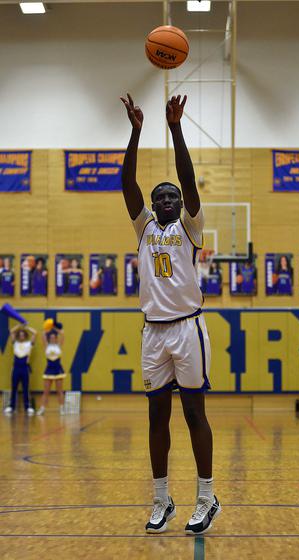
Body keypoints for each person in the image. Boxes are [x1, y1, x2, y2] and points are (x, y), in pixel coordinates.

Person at [120, 93, 221, 535]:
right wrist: (136, 132)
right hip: (152, 333)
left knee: (194, 413)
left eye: (170, 196)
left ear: (180, 204)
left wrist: (176, 128)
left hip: (187, 330)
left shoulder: (189, 228)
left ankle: (206, 496)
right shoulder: (143, 229)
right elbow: (128, 186)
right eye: (158, 196)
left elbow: (189, 180)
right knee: (156, 417)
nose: (163, 199)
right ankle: (162, 500)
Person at [4, 324, 37, 415]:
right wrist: (19, 326)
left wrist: (26, 327)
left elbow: (35, 333)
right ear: (18, 336)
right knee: (14, 387)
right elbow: (11, 331)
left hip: (24, 368)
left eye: (23, 335)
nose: (21, 336)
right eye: (20, 335)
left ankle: (27, 407)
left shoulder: (29, 344)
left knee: (25, 387)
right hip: (16, 367)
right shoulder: (15, 343)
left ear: (25, 336)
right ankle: (11, 406)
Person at [36, 325, 65, 415]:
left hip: (58, 370)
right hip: (49, 370)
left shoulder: (59, 346)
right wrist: (48, 327)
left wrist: (54, 328)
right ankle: (42, 408)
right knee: (46, 391)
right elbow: (43, 334)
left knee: (59, 391)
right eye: (51, 338)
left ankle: (62, 408)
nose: (52, 339)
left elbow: (62, 334)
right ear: (49, 339)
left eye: (54, 338)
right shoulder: (46, 346)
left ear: (56, 339)